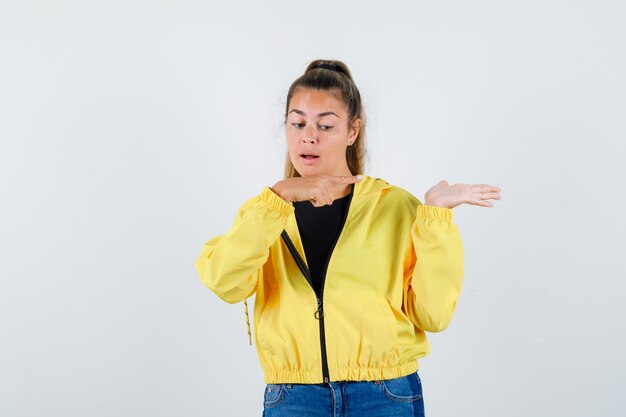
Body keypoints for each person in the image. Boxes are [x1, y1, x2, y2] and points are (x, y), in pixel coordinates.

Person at [194, 59, 501, 417]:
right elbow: (223, 281)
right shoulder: (265, 211)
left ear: (352, 131)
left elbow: (433, 316)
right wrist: (277, 197)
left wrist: (435, 216)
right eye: (298, 123)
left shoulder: (394, 206)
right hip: (294, 399)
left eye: (325, 125)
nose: (309, 135)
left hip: (383, 394)